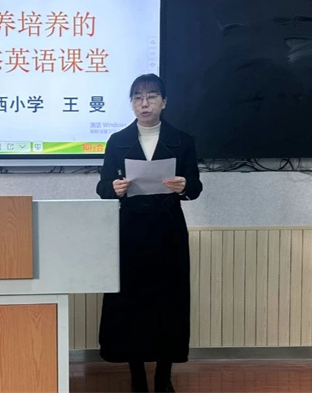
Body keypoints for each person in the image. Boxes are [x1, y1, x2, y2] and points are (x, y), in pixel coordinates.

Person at [96, 74, 202, 393]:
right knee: (131, 304)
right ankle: (138, 377)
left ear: (164, 102)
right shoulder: (117, 140)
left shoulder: (182, 140)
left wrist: (184, 186)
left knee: (169, 303)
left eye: (151, 97)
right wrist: (114, 188)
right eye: (138, 98)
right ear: (131, 103)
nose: (145, 103)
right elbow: (102, 186)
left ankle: (163, 376)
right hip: (130, 232)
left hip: (168, 230)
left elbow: (195, 187)